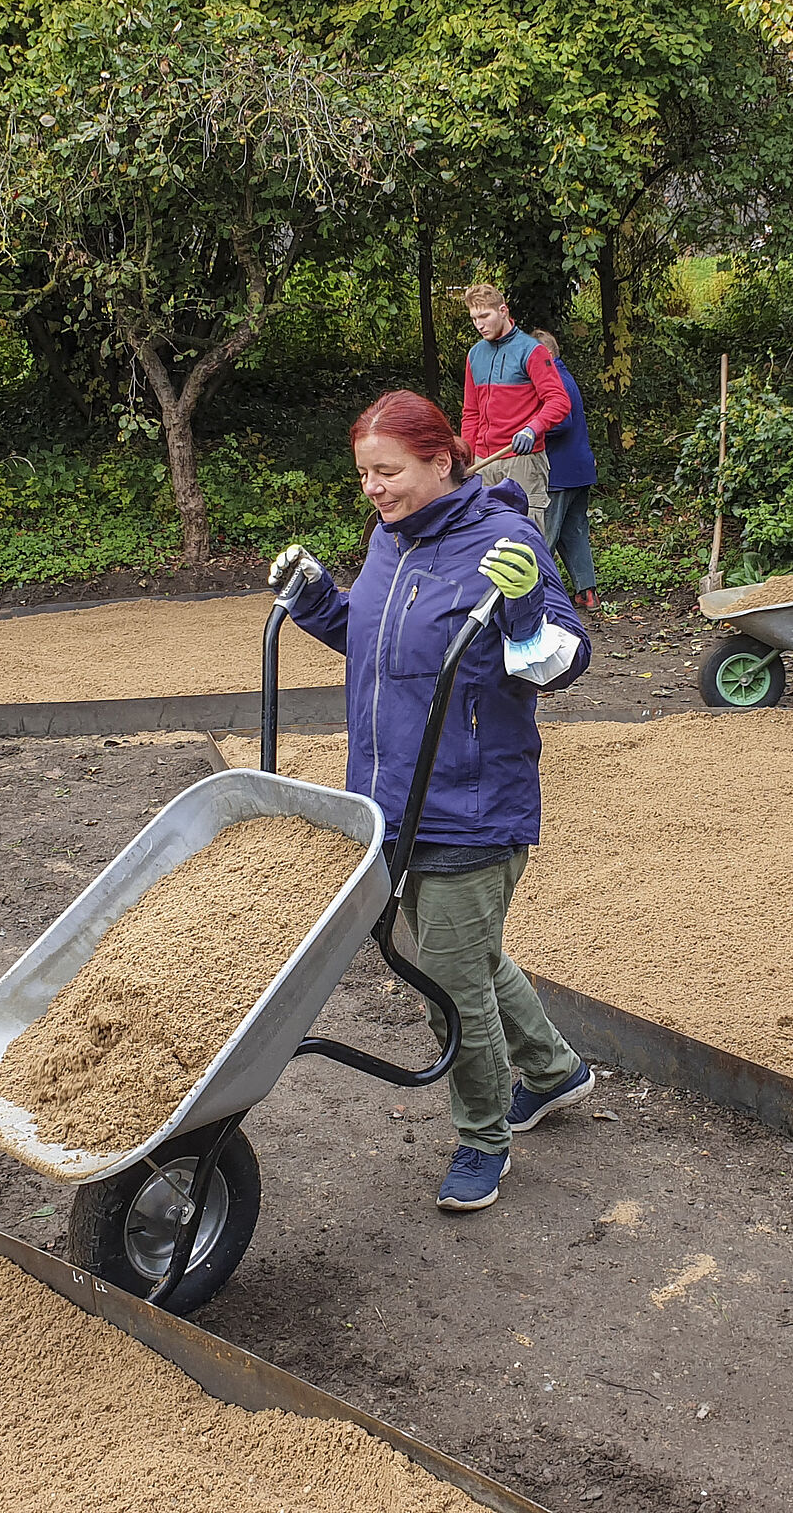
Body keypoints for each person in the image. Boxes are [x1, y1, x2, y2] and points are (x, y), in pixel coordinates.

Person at [270, 390, 596, 1213]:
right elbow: (383, 645)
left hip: (471, 805)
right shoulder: (389, 539)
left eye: (388, 471)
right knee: (466, 960)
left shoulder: (505, 540)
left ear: (441, 461)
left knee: (447, 979)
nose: (373, 489)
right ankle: (557, 1073)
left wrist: (524, 607)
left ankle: (484, 1138)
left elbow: (560, 663)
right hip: (389, 800)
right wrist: (317, 602)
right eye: (364, 476)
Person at [459, 284, 570, 526]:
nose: (479, 324)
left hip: (522, 459)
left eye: (485, 316)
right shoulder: (475, 355)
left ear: (502, 310)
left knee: (525, 538)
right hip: (482, 462)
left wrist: (534, 428)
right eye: (474, 318)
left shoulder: (532, 351)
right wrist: (466, 457)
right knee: (483, 536)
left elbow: (559, 401)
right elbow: (471, 413)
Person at [529, 329, 598, 611]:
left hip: (558, 473)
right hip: (580, 470)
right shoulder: (566, 376)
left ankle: (538, 599)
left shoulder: (552, 380)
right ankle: (586, 592)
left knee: (544, 537)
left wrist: (530, 430)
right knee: (575, 533)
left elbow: (561, 422)